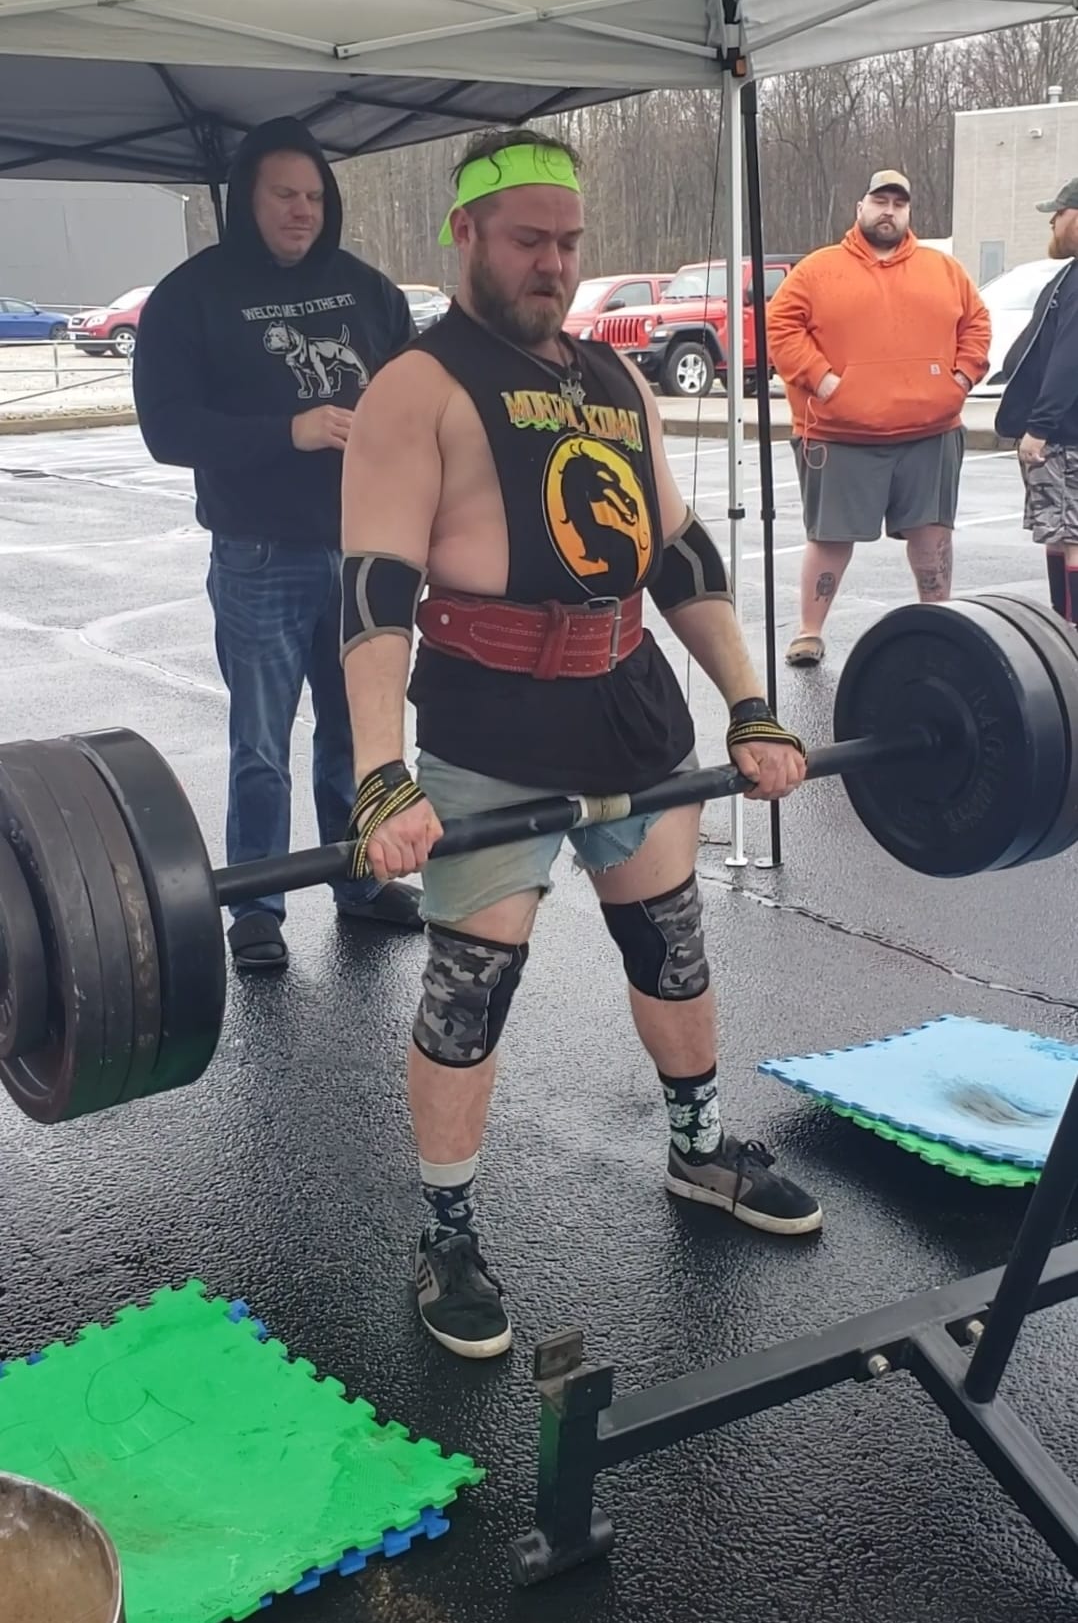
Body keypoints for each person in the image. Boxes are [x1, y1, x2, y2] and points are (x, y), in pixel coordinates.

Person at [338, 126, 821, 1363]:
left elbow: (679, 554)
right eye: (526, 240)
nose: (551, 263)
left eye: (568, 242)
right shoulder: (415, 386)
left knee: (668, 940)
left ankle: (697, 1150)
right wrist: (380, 774)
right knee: (470, 982)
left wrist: (751, 703)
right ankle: (447, 1232)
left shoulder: (614, 379)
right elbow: (374, 592)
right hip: (490, 718)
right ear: (464, 233)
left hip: (629, 703)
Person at [133, 116, 423, 969]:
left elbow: (418, 397)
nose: (302, 211)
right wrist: (285, 432)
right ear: (245, 201)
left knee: (357, 732)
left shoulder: (368, 291)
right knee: (262, 744)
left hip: (365, 548)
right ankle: (256, 905)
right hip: (259, 553)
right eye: (284, 195)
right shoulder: (190, 297)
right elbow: (165, 428)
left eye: (314, 197)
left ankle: (360, 881)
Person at [767, 171, 991, 666]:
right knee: (829, 538)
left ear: (908, 213)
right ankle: (809, 632)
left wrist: (961, 377)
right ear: (860, 208)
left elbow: (976, 323)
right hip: (839, 433)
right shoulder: (818, 270)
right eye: (880, 201)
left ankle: (938, 622)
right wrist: (823, 379)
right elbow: (780, 326)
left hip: (931, 432)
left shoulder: (944, 269)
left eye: (898, 204)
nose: (888, 211)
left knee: (932, 535)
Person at [996, 178, 1078, 623]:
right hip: (1062, 432)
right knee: (1058, 534)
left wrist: (1040, 427)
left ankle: (1071, 636)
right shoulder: (1069, 274)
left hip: (1066, 436)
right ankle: (1064, 628)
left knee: (1071, 535)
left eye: (1058, 213)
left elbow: (1070, 359)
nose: (1052, 223)